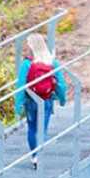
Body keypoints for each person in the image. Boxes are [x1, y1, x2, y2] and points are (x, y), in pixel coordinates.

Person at [15, 33, 67, 169]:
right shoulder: (52, 63)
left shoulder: (26, 63)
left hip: (30, 100)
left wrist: (19, 105)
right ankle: (39, 155)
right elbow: (61, 84)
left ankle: (34, 156)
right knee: (42, 129)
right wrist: (62, 99)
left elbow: (20, 86)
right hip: (47, 100)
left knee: (32, 128)